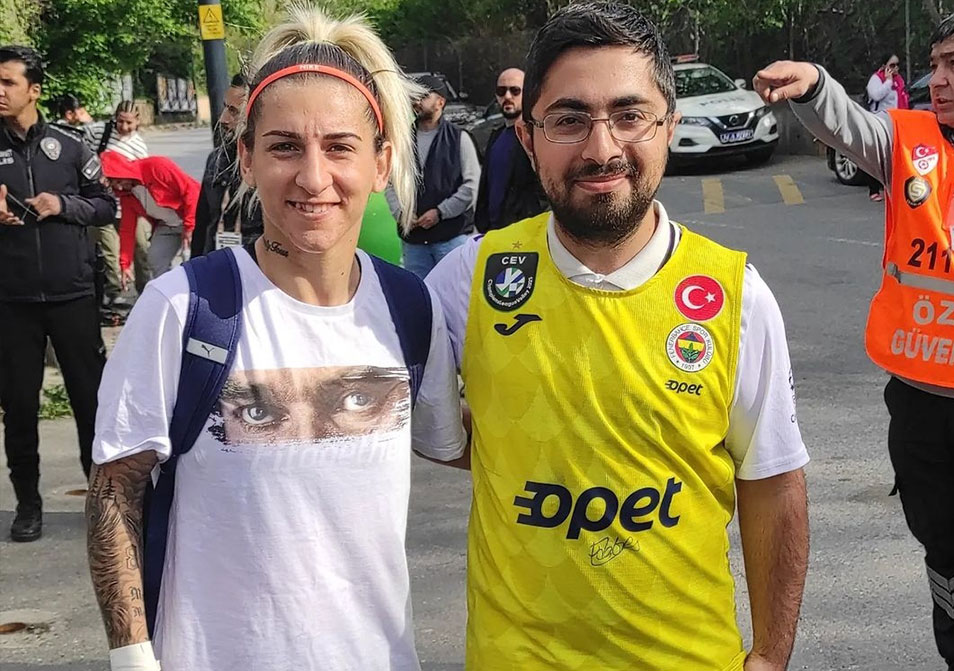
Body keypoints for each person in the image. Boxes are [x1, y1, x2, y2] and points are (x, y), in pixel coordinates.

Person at [426, 4, 810, 670]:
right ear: (527, 137)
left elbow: (773, 483)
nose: (602, 149)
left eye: (630, 116)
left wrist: (772, 655)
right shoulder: (469, 278)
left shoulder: (736, 295)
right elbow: (431, 432)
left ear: (670, 126)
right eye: (569, 119)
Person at [85, 6, 465, 671]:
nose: (313, 177)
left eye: (339, 146)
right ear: (247, 158)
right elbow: (116, 488)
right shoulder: (183, 308)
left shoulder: (410, 308)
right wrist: (132, 657)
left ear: (380, 163)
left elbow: (458, 443)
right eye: (285, 146)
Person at [754, 14, 954, 670]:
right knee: (944, 551)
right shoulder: (909, 139)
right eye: (936, 64)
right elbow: (848, 126)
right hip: (922, 406)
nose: (939, 80)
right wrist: (815, 84)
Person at [0, 45, 116, 542]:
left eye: (7, 82)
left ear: (34, 90)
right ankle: (28, 504)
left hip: (72, 296)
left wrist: (62, 205)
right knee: (19, 408)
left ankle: (103, 501)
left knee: (90, 402)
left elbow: (105, 206)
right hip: (12, 300)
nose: (0, 91)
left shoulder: (69, 147)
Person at [388, 74, 480, 278]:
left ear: (440, 102)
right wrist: (401, 213)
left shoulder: (459, 138)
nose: (416, 101)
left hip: (451, 238)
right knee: (417, 293)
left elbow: (471, 186)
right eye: (414, 96)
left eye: (423, 96)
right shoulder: (402, 141)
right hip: (414, 242)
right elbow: (390, 182)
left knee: (454, 293)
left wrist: (440, 212)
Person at [87, 101, 152, 313]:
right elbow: (80, 148)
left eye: (129, 123)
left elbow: (144, 179)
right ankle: (115, 293)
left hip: (130, 206)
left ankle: (146, 292)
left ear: (138, 121)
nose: (124, 127)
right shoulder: (100, 132)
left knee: (141, 249)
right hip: (103, 203)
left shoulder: (139, 146)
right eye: (120, 121)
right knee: (110, 251)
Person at [100, 151, 199, 286]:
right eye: (114, 185)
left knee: (195, 261)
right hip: (167, 225)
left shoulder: (156, 166)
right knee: (155, 258)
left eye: (119, 181)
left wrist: (190, 226)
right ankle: (168, 293)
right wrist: (125, 265)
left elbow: (190, 191)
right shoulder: (127, 196)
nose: (119, 187)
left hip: (195, 217)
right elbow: (127, 230)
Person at [191, 72, 264, 257]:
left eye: (233, 111)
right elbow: (202, 223)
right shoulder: (216, 160)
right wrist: (195, 266)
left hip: (258, 266)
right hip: (215, 262)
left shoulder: (270, 165)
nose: (223, 119)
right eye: (225, 108)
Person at [473, 67, 548, 232]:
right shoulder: (496, 136)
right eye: (501, 91)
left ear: (527, 94)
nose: (507, 97)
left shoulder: (536, 137)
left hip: (524, 234)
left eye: (515, 91)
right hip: (492, 234)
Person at [863, 54, 910, 202]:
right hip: (880, 122)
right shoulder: (876, 79)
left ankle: (891, 188)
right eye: (892, 65)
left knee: (894, 157)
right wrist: (888, 81)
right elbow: (875, 95)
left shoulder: (899, 80)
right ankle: (873, 189)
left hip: (897, 121)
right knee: (878, 157)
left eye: (897, 65)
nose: (895, 68)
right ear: (884, 66)